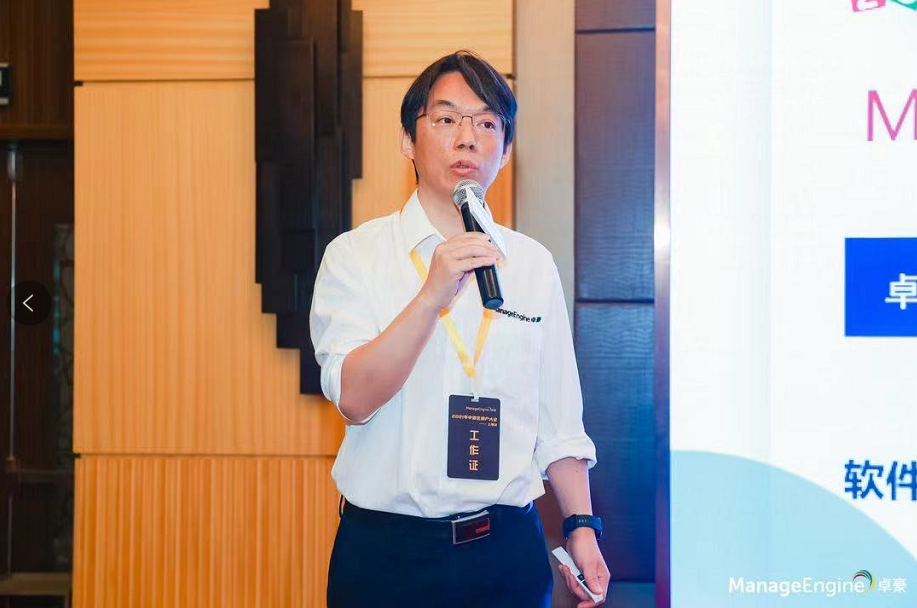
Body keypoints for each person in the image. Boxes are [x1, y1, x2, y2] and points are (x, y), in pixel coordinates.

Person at [310, 50, 609, 608]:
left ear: (506, 149)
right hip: (387, 556)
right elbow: (354, 398)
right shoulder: (355, 257)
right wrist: (431, 296)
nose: (467, 139)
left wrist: (582, 526)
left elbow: (559, 420)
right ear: (408, 139)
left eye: (487, 124)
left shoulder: (531, 264)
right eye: (447, 119)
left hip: (506, 553)